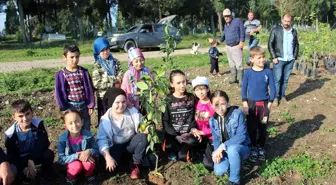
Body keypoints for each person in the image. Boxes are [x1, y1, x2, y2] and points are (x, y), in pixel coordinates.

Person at [97, 87, 150, 179]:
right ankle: (125, 162)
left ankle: (135, 164)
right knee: (104, 166)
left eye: (123, 102)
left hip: (131, 144)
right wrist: (108, 157)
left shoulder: (132, 112)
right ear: (111, 103)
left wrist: (147, 128)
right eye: (117, 102)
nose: (121, 105)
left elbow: (143, 123)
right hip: (115, 146)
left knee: (142, 137)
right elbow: (102, 140)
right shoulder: (105, 120)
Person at [5, 100, 54, 185]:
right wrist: (23, 167)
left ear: (32, 113)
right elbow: (12, 156)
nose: (25, 118)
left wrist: (31, 159)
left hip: (35, 155)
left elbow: (44, 143)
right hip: (20, 159)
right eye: (20, 116)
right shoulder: (10, 134)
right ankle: (25, 176)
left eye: (27, 114)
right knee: (14, 169)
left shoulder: (38, 125)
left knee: (48, 154)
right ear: (14, 117)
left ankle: (45, 175)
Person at [241, 46, 276, 162]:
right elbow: (244, 88)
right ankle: (253, 146)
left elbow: (273, 89)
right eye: (259, 58)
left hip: (264, 105)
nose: (262, 60)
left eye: (263, 57)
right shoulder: (248, 73)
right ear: (252, 59)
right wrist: (245, 103)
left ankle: (261, 147)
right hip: (251, 105)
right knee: (252, 127)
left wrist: (269, 104)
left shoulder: (268, 72)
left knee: (263, 127)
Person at [209, 90, 250, 185]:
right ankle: (234, 164)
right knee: (219, 171)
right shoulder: (212, 120)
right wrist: (216, 152)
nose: (220, 108)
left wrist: (222, 146)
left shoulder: (237, 114)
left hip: (241, 148)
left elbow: (241, 136)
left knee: (232, 149)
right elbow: (215, 139)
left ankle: (234, 180)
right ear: (211, 105)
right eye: (216, 105)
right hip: (224, 150)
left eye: (223, 104)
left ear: (228, 102)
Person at [55, 44, 95, 131]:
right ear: (65, 57)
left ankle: (86, 144)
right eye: (71, 57)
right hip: (71, 106)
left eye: (77, 57)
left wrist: (90, 105)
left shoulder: (83, 72)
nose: (75, 60)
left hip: (84, 105)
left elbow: (89, 88)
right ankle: (73, 144)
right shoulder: (61, 74)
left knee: (86, 126)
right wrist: (63, 107)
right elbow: (59, 92)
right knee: (73, 128)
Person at [162, 70, 199, 162]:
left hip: (188, 134)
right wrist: (176, 136)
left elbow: (196, 116)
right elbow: (165, 121)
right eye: (178, 83)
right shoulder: (167, 100)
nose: (182, 85)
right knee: (168, 145)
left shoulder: (191, 98)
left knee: (191, 144)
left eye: (184, 82)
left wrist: (191, 130)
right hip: (174, 135)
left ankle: (184, 151)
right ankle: (179, 149)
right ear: (172, 84)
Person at [57, 110, 99, 185]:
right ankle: (71, 178)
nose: (74, 125)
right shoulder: (62, 140)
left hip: (86, 159)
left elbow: (96, 150)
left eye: (77, 121)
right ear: (65, 126)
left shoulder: (88, 135)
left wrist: (89, 151)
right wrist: (77, 156)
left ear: (82, 122)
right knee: (75, 167)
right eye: (70, 123)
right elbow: (61, 159)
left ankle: (89, 175)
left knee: (89, 165)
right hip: (71, 162)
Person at [268, 14, 299, 106]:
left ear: (291, 22)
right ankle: (275, 97)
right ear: (282, 20)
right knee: (277, 79)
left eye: (288, 21)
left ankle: (282, 95)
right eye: (285, 21)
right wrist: (274, 57)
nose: (286, 23)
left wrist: (295, 56)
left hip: (290, 59)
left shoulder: (293, 31)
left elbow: (296, 44)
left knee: (285, 79)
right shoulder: (276, 30)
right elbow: (270, 43)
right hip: (279, 59)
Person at [92, 37, 123, 121]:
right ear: (98, 52)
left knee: (116, 118)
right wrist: (113, 82)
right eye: (102, 50)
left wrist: (118, 78)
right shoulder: (97, 65)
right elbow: (97, 84)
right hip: (104, 97)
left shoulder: (115, 61)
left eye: (107, 49)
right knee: (105, 119)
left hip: (116, 95)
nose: (105, 52)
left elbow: (120, 73)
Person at [190, 76, 215, 169]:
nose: (200, 92)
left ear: (208, 89)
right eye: (197, 90)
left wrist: (204, 132)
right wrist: (194, 129)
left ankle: (208, 151)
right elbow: (193, 119)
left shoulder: (213, 103)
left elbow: (217, 124)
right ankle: (201, 150)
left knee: (209, 165)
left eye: (203, 89)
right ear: (194, 92)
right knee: (190, 141)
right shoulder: (195, 103)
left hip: (212, 135)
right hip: (200, 134)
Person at [220, 8, 245, 85]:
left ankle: (241, 80)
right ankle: (234, 78)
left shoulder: (237, 21)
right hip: (228, 47)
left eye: (228, 16)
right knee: (231, 63)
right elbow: (224, 34)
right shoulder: (225, 24)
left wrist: (241, 41)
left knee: (239, 64)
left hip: (236, 46)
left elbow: (242, 31)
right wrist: (218, 41)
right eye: (225, 16)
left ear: (231, 15)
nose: (226, 17)